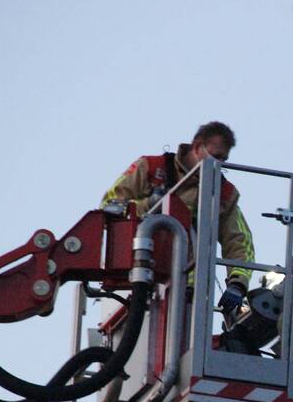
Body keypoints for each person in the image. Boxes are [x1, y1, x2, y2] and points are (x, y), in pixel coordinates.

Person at [100, 121, 254, 313]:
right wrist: (149, 205)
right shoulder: (150, 168)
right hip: (136, 284)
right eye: (215, 156)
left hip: (191, 297)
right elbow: (108, 207)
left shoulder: (222, 194)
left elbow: (239, 242)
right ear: (198, 147)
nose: (219, 164)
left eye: (223, 159)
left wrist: (237, 285)